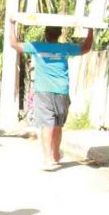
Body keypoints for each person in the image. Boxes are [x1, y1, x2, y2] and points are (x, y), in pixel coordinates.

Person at [9, 21, 93, 170]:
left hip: (43, 92)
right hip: (61, 91)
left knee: (47, 125)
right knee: (57, 126)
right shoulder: (65, 48)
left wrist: (11, 24)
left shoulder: (37, 47)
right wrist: (90, 29)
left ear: (45, 34)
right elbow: (86, 48)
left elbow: (14, 44)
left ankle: (49, 159)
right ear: (59, 34)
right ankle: (54, 155)